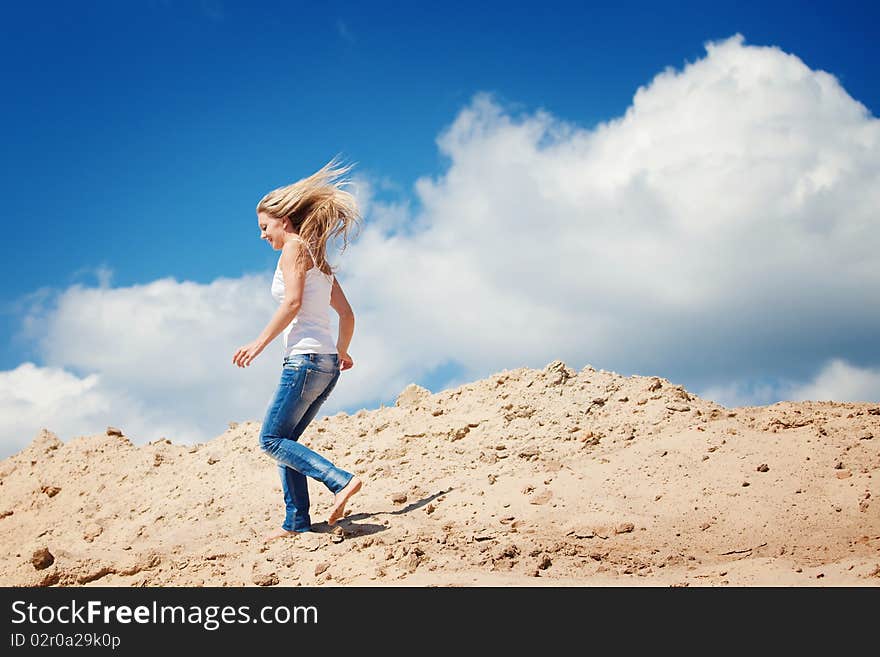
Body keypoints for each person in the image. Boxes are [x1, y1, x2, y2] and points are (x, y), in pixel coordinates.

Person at [232, 156, 362, 541]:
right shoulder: (320, 257)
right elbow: (348, 315)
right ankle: (296, 522)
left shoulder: (294, 248)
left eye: (264, 227)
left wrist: (257, 344)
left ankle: (340, 481)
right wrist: (341, 352)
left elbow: (291, 304)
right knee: (286, 441)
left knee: (270, 441)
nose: (262, 235)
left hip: (304, 361)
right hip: (325, 365)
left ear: (284, 220)